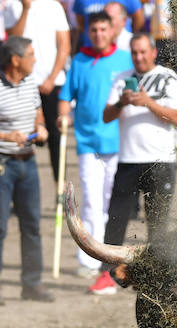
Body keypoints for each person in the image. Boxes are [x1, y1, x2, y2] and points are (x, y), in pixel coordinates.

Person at [95, 32, 177, 292]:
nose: (139, 57)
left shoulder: (168, 77)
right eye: (134, 52)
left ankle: (157, 279)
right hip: (128, 160)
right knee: (116, 220)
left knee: (158, 224)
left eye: (143, 52)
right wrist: (123, 101)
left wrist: (148, 103)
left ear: (153, 52)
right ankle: (107, 276)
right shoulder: (123, 79)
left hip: (160, 161)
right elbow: (107, 116)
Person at [0, 34, 52, 305]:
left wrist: (40, 128)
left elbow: (37, 112)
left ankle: (32, 283)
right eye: (30, 54)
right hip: (1, 163)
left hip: (28, 160)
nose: (34, 59)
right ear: (15, 60)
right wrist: (4, 136)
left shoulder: (30, 83)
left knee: (32, 225)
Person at [58, 11, 131, 281]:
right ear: (88, 32)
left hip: (118, 142)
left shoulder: (125, 60)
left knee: (110, 203)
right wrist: (62, 114)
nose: (99, 34)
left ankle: (108, 257)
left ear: (112, 31)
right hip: (87, 141)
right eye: (94, 30)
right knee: (90, 200)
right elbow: (66, 96)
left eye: (104, 29)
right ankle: (89, 259)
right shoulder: (79, 61)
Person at [3, 0, 70, 181]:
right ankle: (20, 188)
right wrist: (25, 8)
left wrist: (51, 78)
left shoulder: (53, 6)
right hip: (22, 84)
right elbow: (12, 42)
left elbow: (64, 45)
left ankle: (61, 190)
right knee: (22, 136)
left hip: (51, 83)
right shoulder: (12, 5)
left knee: (56, 138)